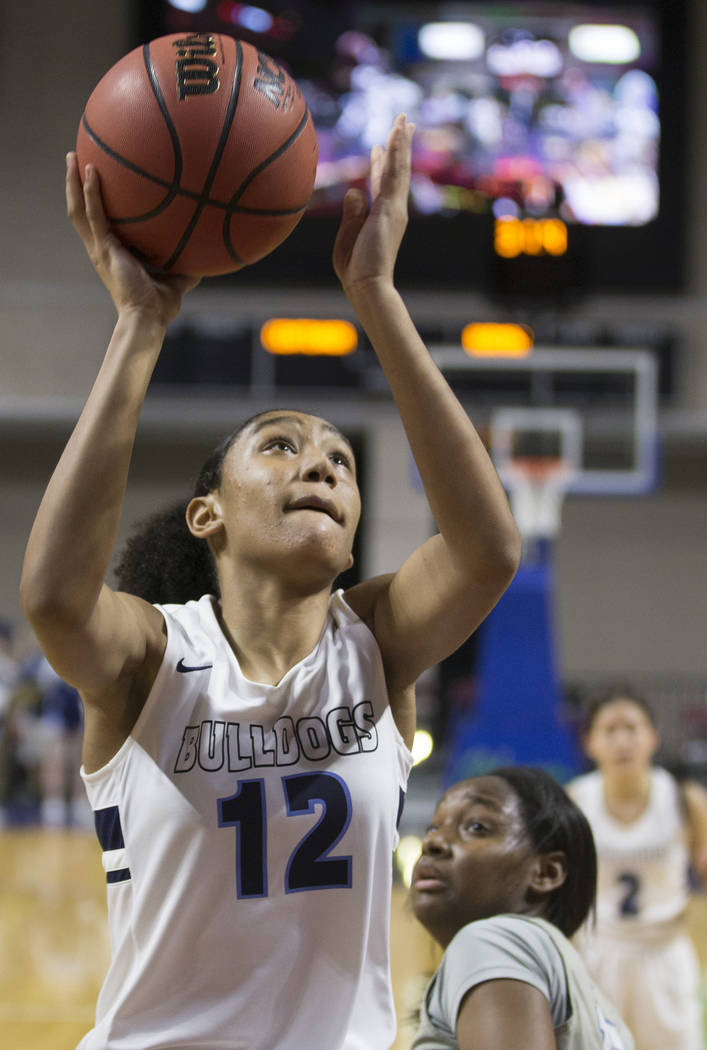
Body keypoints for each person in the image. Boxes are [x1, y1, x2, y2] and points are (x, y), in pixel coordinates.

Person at [19, 115, 521, 1050]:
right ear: (207, 513)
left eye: (339, 459)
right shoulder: (156, 654)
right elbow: (54, 599)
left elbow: (487, 548)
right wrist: (140, 324)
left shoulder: (375, 643)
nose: (322, 465)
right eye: (281, 447)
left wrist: (374, 296)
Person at [409, 765, 634, 1050]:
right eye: (433, 827)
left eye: (476, 827)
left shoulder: (493, 941)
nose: (433, 842)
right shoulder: (603, 1011)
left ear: (546, 872)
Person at [567, 687, 707, 1050]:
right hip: (598, 951)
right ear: (590, 743)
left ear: (653, 738)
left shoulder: (684, 798)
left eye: (632, 728)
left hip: (664, 953)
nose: (622, 740)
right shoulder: (575, 801)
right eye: (610, 730)